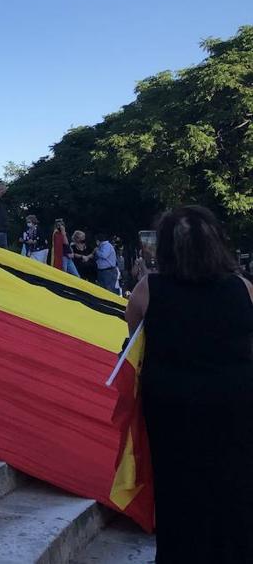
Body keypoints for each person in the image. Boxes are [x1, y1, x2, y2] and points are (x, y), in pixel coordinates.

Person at [125, 205, 253, 563]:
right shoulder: (243, 288)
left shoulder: (147, 290)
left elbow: (133, 345)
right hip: (235, 404)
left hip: (172, 408)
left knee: (177, 488)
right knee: (235, 486)